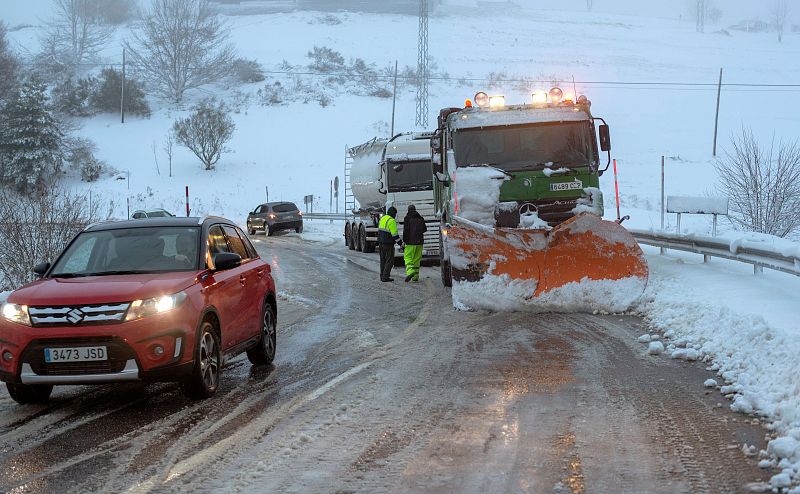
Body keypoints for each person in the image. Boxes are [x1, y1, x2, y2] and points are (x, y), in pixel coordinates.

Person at [377, 206, 403, 282]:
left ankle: (382, 276)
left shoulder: (383, 218)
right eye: (395, 214)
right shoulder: (392, 221)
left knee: (383, 260)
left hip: (381, 243)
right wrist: (401, 243)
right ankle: (385, 277)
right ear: (393, 213)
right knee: (390, 261)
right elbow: (395, 235)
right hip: (388, 244)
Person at [402, 204, 427, 283]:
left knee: (408, 257)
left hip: (410, 242)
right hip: (420, 243)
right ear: (415, 210)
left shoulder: (407, 218)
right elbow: (424, 229)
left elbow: (406, 231)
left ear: (408, 210)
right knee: (416, 260)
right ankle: (415, 277)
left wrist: (404, 241)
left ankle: (410, 272)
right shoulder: (421, 218)